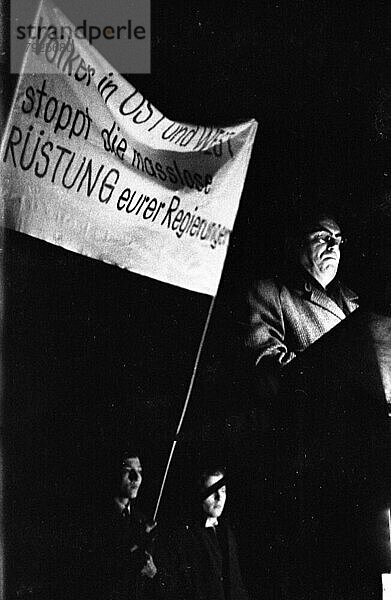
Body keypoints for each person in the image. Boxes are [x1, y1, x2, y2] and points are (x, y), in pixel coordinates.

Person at [245, 213, 359, 374]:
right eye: (322, 237)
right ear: (296, 244)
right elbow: (265, 361)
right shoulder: (270, 292)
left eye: (338, 240)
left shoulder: (353, 302)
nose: (333, 246)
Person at [157, 466, 249, 600]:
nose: (219, 498)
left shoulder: (227, 532)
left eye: (223, 491)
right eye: (211, 491)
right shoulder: (185, 536)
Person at [83, 451, 158, 600]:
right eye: (128, 471)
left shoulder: (142, 521)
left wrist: (153, 572)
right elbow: (94, 573)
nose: (136, 478)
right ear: (112, 474)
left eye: (139, 471)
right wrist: (135, 544)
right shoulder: (93, 519)